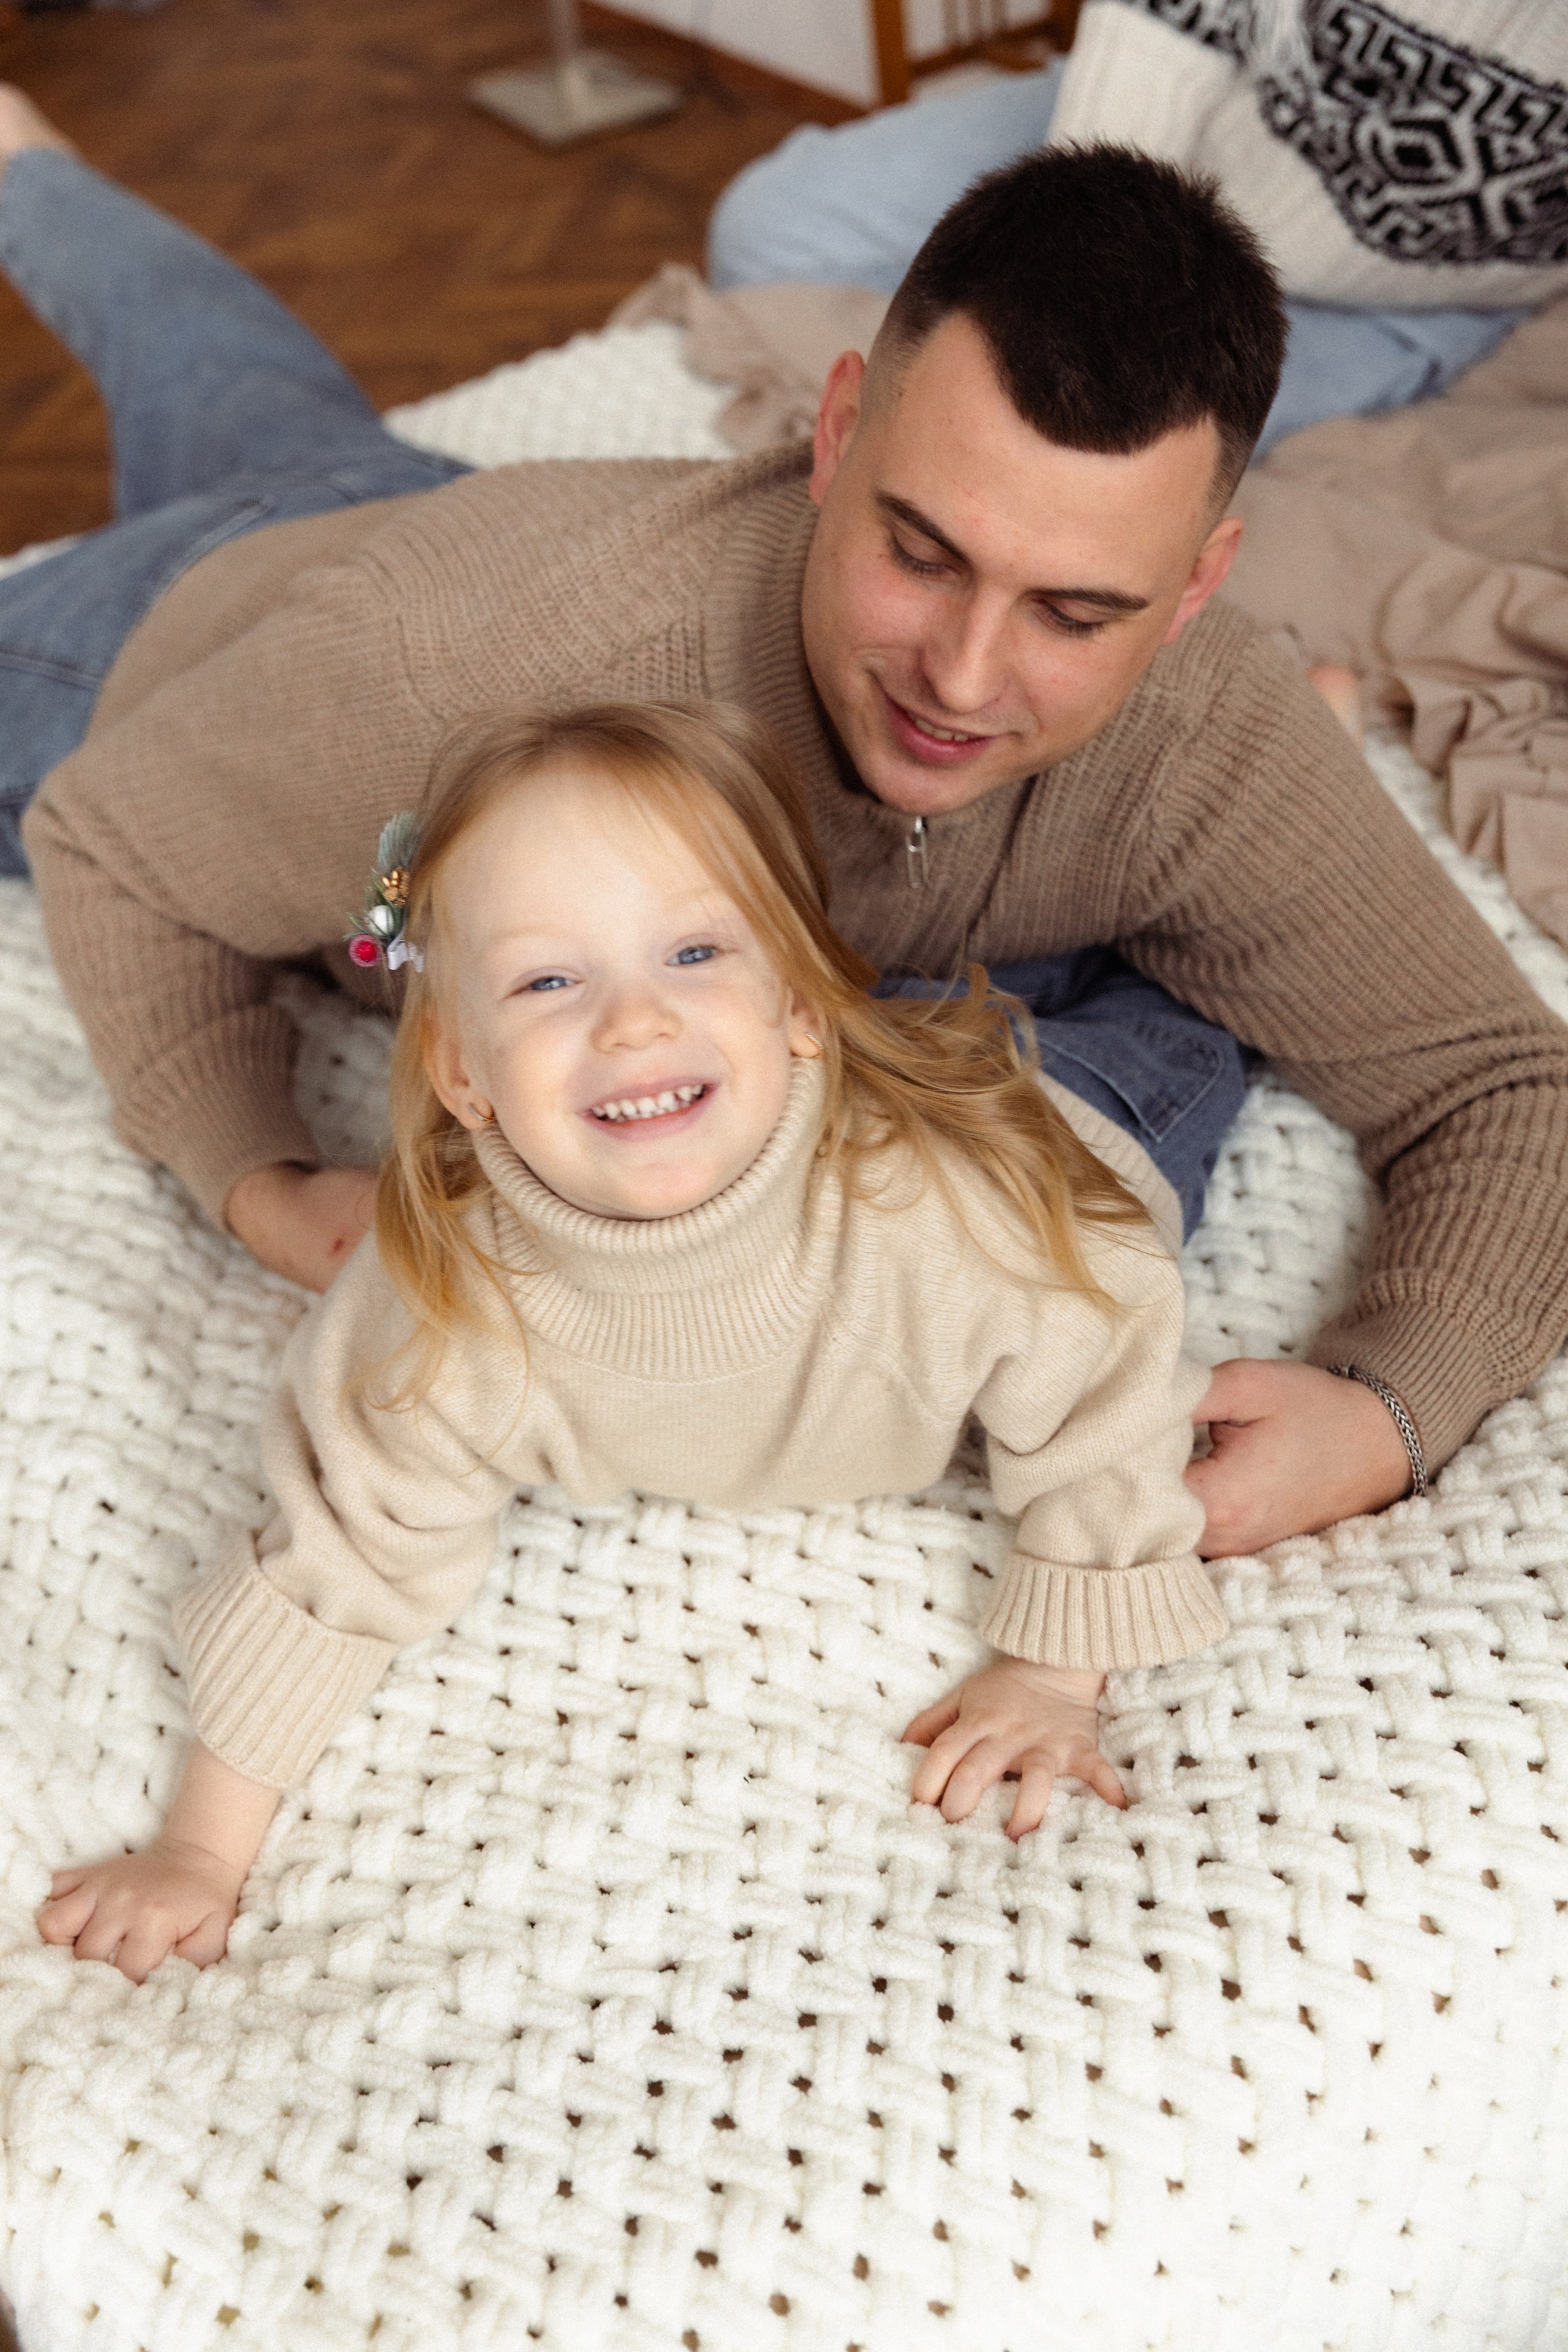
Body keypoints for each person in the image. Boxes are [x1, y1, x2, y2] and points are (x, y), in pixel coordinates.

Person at [3, 94, 1566, 1566]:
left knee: (230, 384)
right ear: (832, 438)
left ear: (1199, 588)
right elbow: (109, 845)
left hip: (419, 519)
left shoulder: (1211, 735)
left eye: (1076, 613)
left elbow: (1500, 1083)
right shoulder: (450, 666)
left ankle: (33, 176)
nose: (961, 679)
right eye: (918, 550)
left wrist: (1387, 1407)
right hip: (156, 644)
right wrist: (261, 1175)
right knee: (255, 478)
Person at [37, 700, 1226, 1981]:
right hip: (850, 1048)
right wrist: (201, 1858)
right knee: (953, 1007)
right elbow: (344, 1552)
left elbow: (1105, 1391)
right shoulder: (445, 1304)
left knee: (1163, 1003)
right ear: (460, 1073)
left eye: (693, 953)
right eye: (550, 980)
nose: (632, 1023)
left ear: (801, 1006)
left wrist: (1054, 1675)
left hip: (1059, 1110)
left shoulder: (959, 1228)